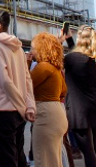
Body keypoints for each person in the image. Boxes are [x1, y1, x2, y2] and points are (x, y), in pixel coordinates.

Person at [0, 9, 36, 167]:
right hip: (17, 115)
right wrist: (29, 106)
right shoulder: (19, 49)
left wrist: (22, 106)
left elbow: (5, 81)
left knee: (6, 160)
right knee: (18, 159)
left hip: (1, 111)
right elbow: (27, 79)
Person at [64, 26, 96, 167]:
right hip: (95, 105)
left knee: (87, 150)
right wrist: (69, 40)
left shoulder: (71, 58)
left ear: (79, 39)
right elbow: (78, 59)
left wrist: (60, 41)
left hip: (79, 109)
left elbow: (64, 60)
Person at [30, 32, 68, 167]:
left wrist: (26, 63)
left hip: (45, 114)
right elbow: (63, 92)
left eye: (33, 48)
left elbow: (26, 84)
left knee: (43, 159)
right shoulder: (56, 69)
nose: (31, 51)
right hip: (57, 112)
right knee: (54, 159)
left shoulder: (43, 67)